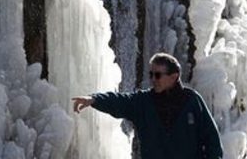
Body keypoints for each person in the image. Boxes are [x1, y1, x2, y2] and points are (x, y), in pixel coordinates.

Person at [72, 53, 223, 158]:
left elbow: (211, 139)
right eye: (151, 74)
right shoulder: (144, 102)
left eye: (157, 75)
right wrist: (94, 99)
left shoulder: (192, 101)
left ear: (174, 76)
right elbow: (120, 101)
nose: (153, 79)